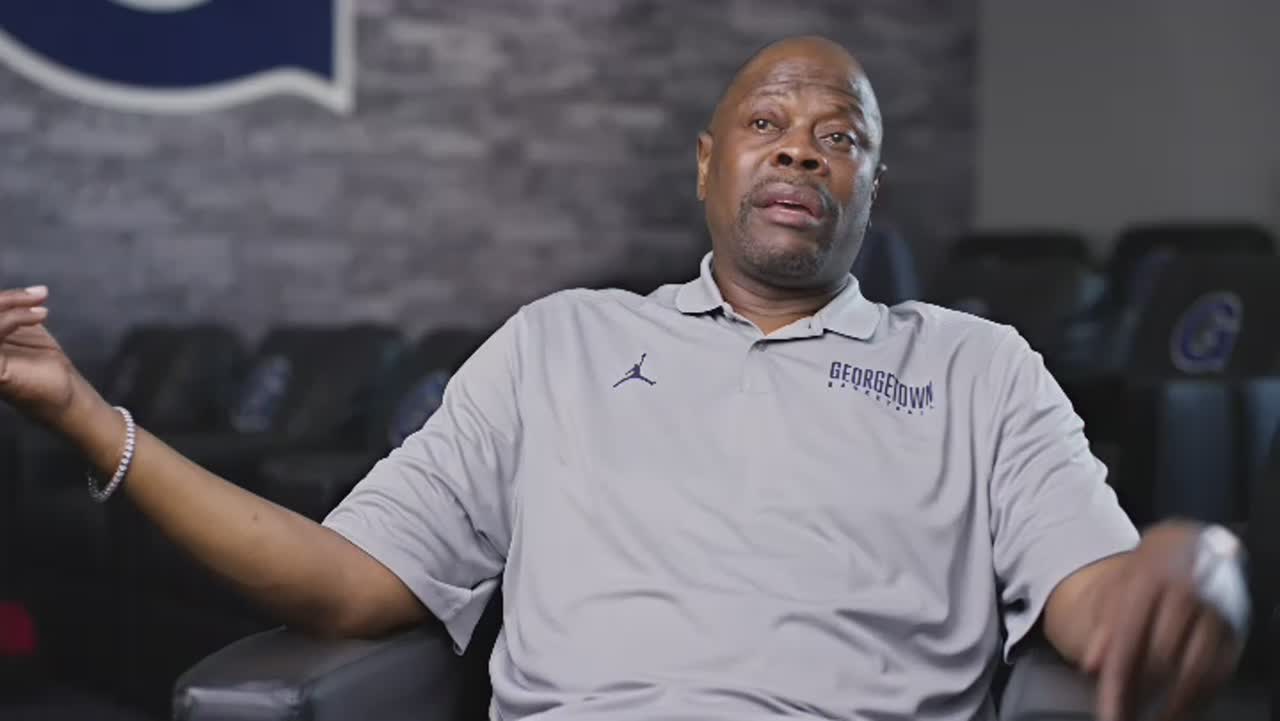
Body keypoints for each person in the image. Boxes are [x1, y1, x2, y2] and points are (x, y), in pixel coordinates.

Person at [0, 36, 1250, 721]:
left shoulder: (977, 367)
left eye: (839, 138)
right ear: (707, 164)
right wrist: (88, 418)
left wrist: (1203, 560)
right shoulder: (557, 344)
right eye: (767, 124)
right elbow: (341, 579)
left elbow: (1106, 599)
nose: (799, 152)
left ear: (870, 187)